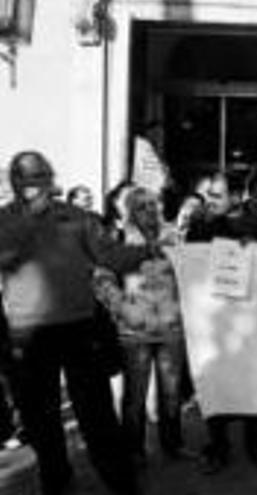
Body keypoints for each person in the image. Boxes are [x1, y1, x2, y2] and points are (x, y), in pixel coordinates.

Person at [0, 151, 153, 495]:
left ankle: (120, 481)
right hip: (29, 333)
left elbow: (110, 256)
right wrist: (30, 219)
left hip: (79, 327)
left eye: (42, 177)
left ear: (51, 179)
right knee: (42, 417)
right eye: (27, 180)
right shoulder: (5, 220)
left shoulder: (78, 217)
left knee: (96, 412)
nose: (36, 186)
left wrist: (151, 251)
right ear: (15, 183)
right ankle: (55, 478)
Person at [186, 171, 257, 474]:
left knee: (255, 383)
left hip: (252, 320)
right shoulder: (200, 226)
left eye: (217, 195)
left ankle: (256, 442)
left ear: (236, 197)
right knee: (215, 381)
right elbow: (189, 267)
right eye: (208, 195)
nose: (209, 201)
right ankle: (218, 445)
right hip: (214, 321)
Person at [92, 187, 189, 462]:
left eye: (153, 204)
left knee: (171, 395)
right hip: (134, 332)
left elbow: (191, 272)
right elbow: (101, 279)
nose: (150, 210)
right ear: (131, 211)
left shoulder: (174, 236)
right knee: (134, 399)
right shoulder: (119, 239)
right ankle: (133, 450)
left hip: (171, 328)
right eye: (142, 206)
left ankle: (173, 445)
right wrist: (121, 308)